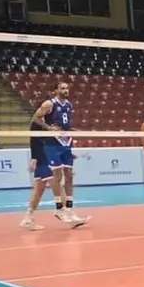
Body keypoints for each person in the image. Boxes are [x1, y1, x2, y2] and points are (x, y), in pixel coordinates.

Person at [31, 82, 88, 225]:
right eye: (62, 88)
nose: (65, 90)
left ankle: (69, 209)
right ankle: (58, 208)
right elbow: (35, 118)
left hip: (66, 142)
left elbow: (66, 125)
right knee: (57, 175)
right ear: (56, 90)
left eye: (67, 88)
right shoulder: (49, 104)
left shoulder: (69, 105)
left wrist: (75, 132)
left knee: (69, 175)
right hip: (53, 143)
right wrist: (48, 128)